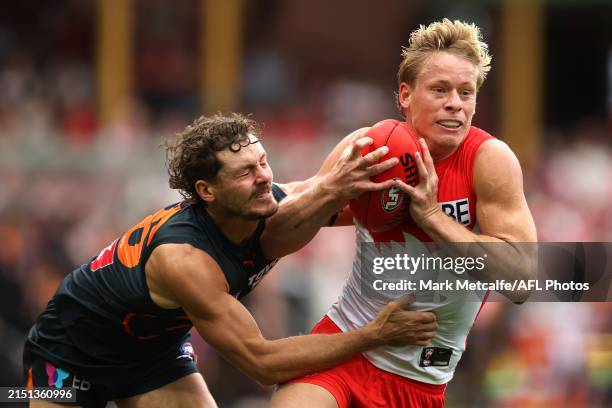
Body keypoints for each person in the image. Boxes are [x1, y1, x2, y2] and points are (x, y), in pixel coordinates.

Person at [23, 113, 439, 408]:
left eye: (262, 162)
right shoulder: (185, 259)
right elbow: (263, 362)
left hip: (153, 355)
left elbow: (351, 203)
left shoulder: (268, 203)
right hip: (70, 352)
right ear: (207, 191)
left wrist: (433, 204)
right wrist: (373, 334)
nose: (263, 177)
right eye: (244, 172)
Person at [272, 19, 537, 408]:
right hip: (343, 347)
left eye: (467, 92)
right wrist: (329, 192)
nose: (455, 103)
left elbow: (523, 279)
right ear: (405, 95)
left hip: (421, 381)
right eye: (440, 89)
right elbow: (291, 216)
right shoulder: (372, 149)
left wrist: (432, 216)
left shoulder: (489, 160)